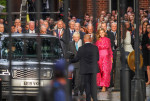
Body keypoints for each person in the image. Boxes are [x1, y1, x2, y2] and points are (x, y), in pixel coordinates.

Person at [70, 34, 99, 101]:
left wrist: (70, 61)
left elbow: (76, 59)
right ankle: (95, 98)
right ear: (90, 39)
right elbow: (97, 58)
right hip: (93, 69)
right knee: (93, 84)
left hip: (85, 69)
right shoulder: (95, 48)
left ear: (84, 40)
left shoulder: (81, 48)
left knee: (87, 84)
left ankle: (88, 99)